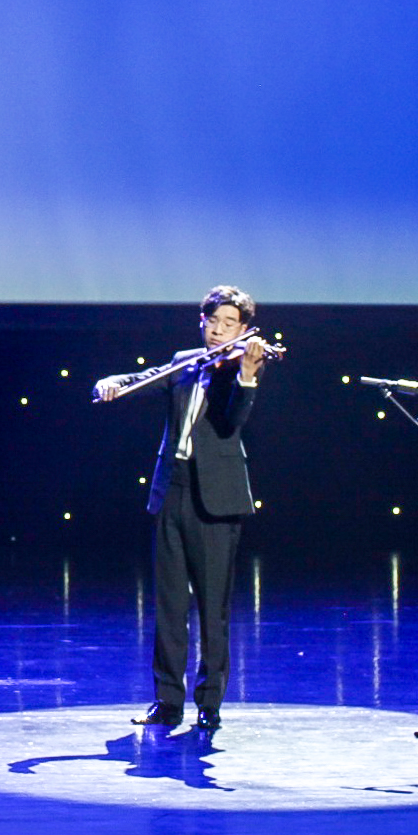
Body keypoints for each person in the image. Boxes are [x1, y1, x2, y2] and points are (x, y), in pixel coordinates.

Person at [96, 285, 268, 731]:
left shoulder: (241, 366)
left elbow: (232, 422)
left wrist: (248, 374)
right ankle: (167, 701)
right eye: (213, 321)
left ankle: (209, 703)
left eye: (229, 324)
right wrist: (113, 383)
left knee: (213, 608)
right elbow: (144, 378)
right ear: (202, 322)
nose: (219, 330)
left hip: (217, 499)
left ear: (244, 330)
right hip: (172, 489)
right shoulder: (185, 361)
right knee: (169, 604)